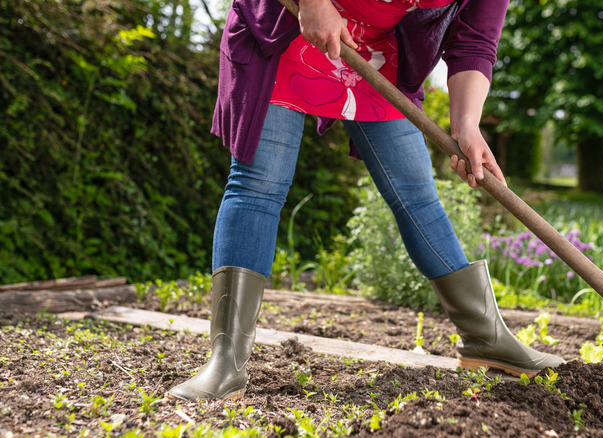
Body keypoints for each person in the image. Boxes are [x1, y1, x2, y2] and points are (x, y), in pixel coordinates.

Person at [166, 0, 565, 401]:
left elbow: (474, 42)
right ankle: (226, 362)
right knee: (259, 184)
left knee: (417, 195)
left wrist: (466, 124)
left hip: (375, 56)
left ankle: (485, 338)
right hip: (289, 26)